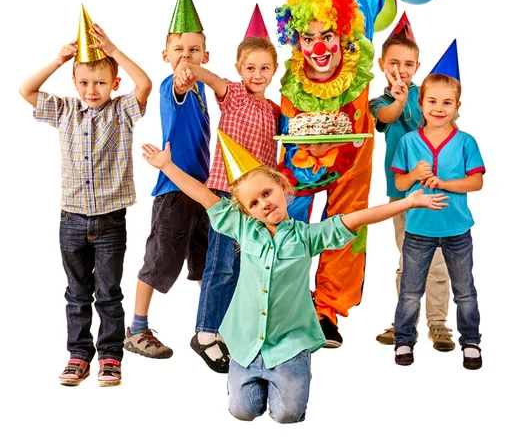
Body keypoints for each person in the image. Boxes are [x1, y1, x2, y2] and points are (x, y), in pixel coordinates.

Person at [140, 135, 448, 422]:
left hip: (289, 344)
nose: (265, 203)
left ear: (280, 186)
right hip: (246, 344)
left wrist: (408, 202)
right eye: (254, 203)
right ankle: (251, 381)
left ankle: (291, 376)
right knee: (242, 412)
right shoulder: (243, 229)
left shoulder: (307, 235)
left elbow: (357, 217)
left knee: (287, 415)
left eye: (267, 193)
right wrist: (167, 165)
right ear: (246, 212)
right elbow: (204, 195)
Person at [19, 5, 152, 386]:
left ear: (114, 83)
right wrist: (59, 60)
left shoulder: (122, 112)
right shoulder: (65, 111)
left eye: (100, 82)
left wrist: (113, 50)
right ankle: (79, 356)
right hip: (71, 220)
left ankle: (111, 356)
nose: (92, 90)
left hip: (110, 221)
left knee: (109, 292)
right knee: (77, 293)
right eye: (84, 82)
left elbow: (144, 84)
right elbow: (25, 89)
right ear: (74, 83)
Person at [275, 0, 386, 346]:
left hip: (353, 163)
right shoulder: (293, 76)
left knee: (346, 230)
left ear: (341, 34)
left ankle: (326, 312)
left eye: (327, 36)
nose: (319, 46)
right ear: (297, 40)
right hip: (301, 165)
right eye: (308, 38)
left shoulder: (360, 51)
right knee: (287, 228)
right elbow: (290, 123)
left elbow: (367, 1)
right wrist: (311, 149)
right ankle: (287, 305)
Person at [173, 5, 280, 373]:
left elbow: (273, 156)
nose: (257, 74)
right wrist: (190, 67)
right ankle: (204, 333)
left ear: (274, 71)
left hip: (256, 202)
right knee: (220, 264)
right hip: (225, 194)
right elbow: (210, 77)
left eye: (264, 68)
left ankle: (226, 330)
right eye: (250, 67)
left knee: (242, 267)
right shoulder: (232, 94)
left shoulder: (274, 110)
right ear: (239, 69)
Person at [123, 0, 211, 359]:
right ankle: (137, 330)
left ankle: (211, 329)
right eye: (179, 50)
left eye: (194, 50)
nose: (186, 57)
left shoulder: (203, 89)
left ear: (206, 54)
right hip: (174, 190)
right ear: (166, 56)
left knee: (207, 264)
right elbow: (177, 85)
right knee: (160, 261)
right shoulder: (170, 85)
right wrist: (181, 78)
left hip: (204, 191)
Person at [369, 14, 455, 352]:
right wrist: (399, 100)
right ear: (381, 64)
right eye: (393, 63)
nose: (400, 69)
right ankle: (405, 323)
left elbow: (440, 125)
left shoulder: (429, 96)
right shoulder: (379, 101)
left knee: (436, 260)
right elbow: (387, 117)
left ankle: (439, 324)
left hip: (437, 194)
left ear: (417, 66)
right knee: (408, 260)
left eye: (408, 64)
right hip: (401, 195)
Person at [391, 72, 485, 369]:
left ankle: (470, 341)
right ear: (421, 104)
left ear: (458, 106)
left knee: (465, 290)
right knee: (409, 291)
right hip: (418, 229)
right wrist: (415, 176)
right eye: (432, 101)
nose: (439, 108)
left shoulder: (465, 142)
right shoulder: (408, 142)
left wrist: (443, 183)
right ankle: (404, 340)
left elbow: (476, 182)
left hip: (456, 230)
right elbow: (402, 185)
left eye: (447, 102)